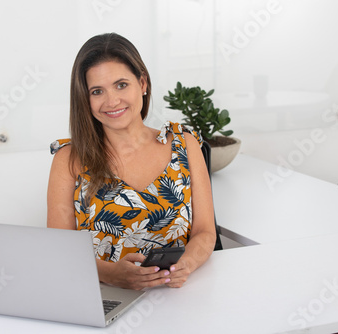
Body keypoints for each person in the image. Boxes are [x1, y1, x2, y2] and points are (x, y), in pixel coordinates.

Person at [47, 33, 216, 290]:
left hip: (179, 295)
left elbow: (205, 232)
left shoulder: (185, 144)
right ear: (85, 98)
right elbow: (59, 250)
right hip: (104, 297)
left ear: (143, 83)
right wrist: (111, 274)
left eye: (121, 85)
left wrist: (187, 264)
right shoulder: (69, 158)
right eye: (97, 91)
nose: (112, 101)